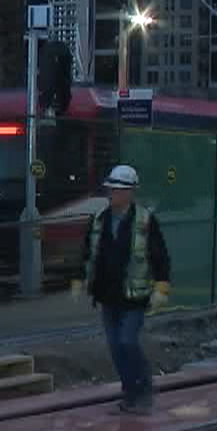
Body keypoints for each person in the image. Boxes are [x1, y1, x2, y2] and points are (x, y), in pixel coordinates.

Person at [72, 165, 171, 414]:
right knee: (116, 347)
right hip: (108, 295)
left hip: (133, 297)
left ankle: (143, 388)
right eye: (111, 189)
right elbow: (87, 253)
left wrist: (161, 287)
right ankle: (130, 394)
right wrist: (78, 279)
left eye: (117, 190)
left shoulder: (145, 221)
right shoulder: (99, 220)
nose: (112, 194)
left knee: (128, 342)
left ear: (130, 193)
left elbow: (160, 256)